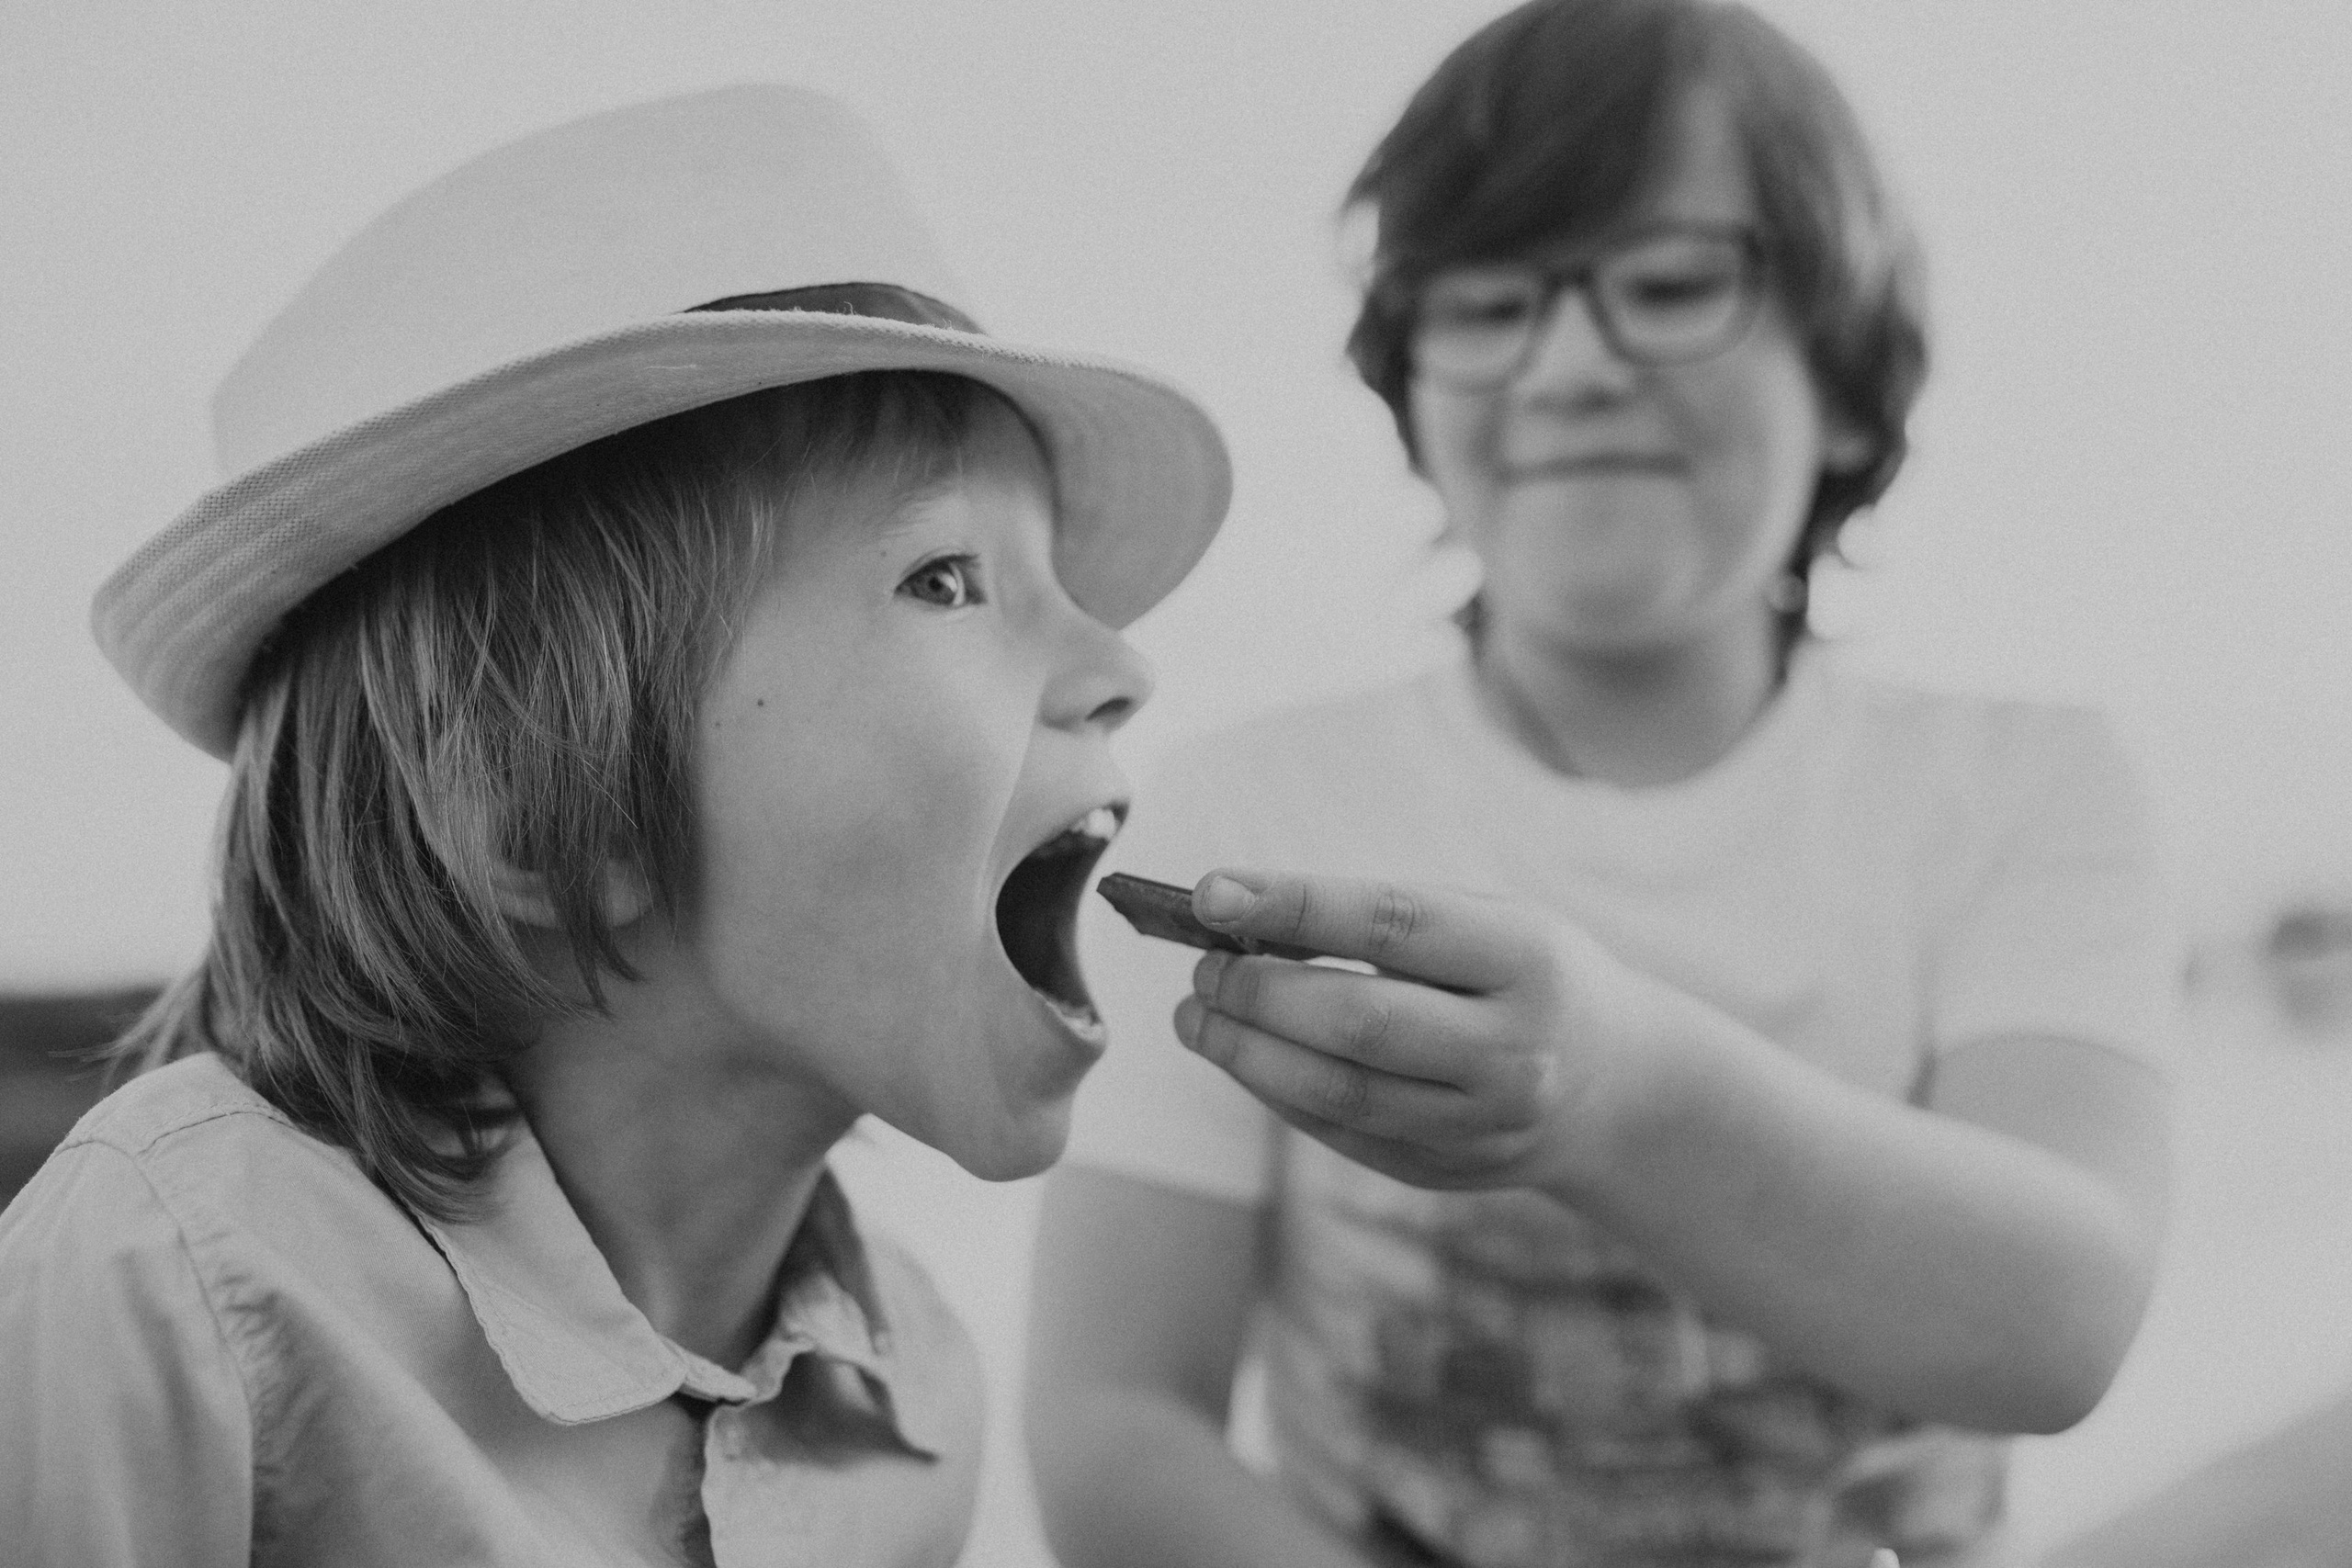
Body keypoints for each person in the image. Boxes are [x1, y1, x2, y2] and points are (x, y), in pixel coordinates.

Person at [0, 85, 1228, 1566]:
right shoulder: (171, 1277)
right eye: (950, 578)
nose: (1121, 670)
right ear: (536, 816)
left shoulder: (919, 1385)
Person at [1024, 4, 2173, 1566]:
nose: (1569, 366)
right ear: (1412, 397)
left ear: (1843, 377)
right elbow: (1111, 1431)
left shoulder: (2025, 788)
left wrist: (1612, 1091)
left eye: (1672, 285)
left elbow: (2060, 1321)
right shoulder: (1250, 798)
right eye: (1488, 302)